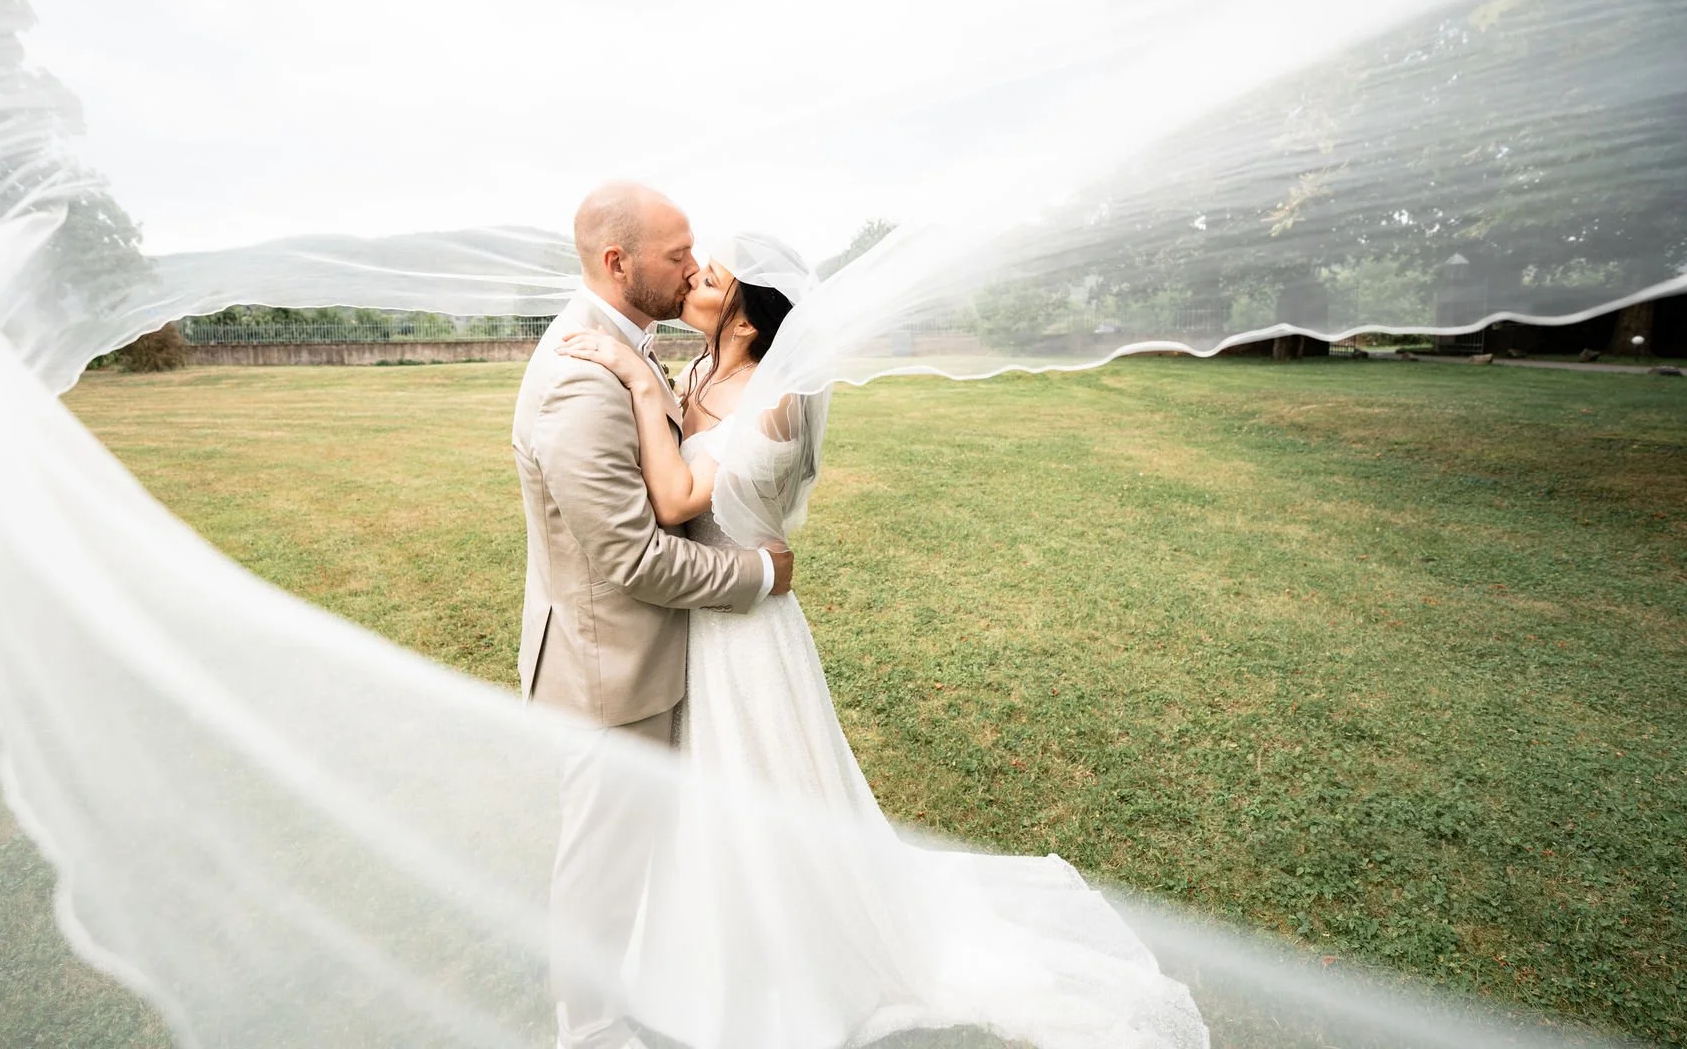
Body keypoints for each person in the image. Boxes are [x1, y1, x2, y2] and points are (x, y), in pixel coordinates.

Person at [558, 235, 1211, 1049]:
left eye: (713, 276)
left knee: (767, 794)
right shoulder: (696, 374)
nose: (694, 277)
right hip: (700, 615)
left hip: (749, 633)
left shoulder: (776, 398)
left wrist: (625, 374)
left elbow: (680, 494)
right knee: (701, 796)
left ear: (753, 317)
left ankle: (795, 965)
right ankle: (699, 952)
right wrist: (645, 373)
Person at [513, 182, 796, 1049]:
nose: (692, 268)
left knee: (667, 845)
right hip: (612, 670)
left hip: (667, 653)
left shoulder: (639, 353)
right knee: (601, 864)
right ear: (616, 261)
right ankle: (591, 1031)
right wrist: (758, 575)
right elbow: (631, 557)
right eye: (679, 255)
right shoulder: (579, 376)